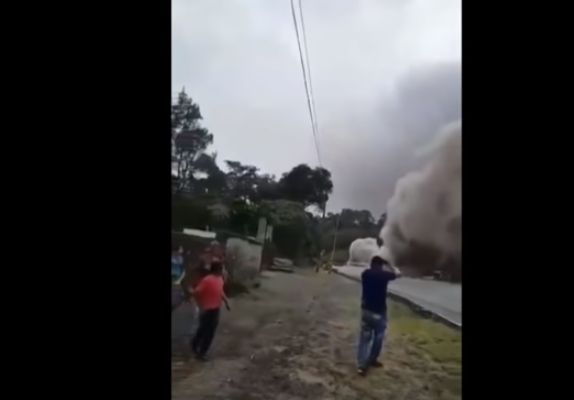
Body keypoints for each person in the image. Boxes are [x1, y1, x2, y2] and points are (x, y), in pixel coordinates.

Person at [357, 255, 401, 376]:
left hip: (366, 310)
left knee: (364, 339)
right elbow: (398, 274)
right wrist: (389, 265)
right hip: (379, 312)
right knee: (378, 337)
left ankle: (361, 366)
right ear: (382, 265)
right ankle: (372, 359)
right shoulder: (384, 275)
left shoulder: (365, 274)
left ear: (371, 264)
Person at [187, 261, 230, 361]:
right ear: (218, 269)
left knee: (205, 329)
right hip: (207, 309)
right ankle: (201, 352)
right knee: (207, 331)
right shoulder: (207, 280)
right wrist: (191, 291)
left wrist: (226, 301)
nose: (224, 270)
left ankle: (195, 345)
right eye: (222, 268)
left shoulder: (220, 279)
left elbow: (220, 291)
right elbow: (198, 291)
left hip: (216, 308)